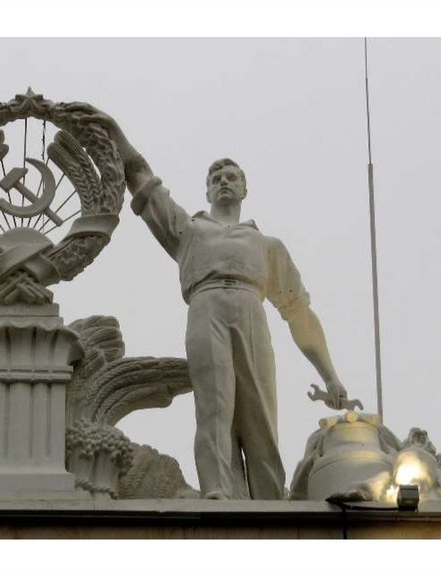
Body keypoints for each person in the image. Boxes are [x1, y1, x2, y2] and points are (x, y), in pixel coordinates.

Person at [74, 104, 351, 500]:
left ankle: (270, 501)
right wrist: (115, 135)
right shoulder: (189, 231)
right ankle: (218, 491)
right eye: (216, 177)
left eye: (231, 176)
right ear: (207, 190)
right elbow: (142, 179)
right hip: (205, 306)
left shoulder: (266, 245)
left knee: (259, 413)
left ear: (244, 189)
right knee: (215, 406)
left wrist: (330, 376)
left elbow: (299, 314)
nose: (223, 180)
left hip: (251, 308)